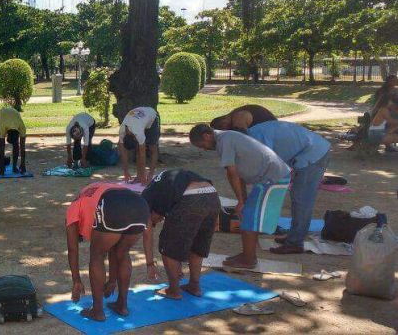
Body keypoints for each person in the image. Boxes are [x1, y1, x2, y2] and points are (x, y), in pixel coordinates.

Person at [189, 124, 291, 269]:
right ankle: (247, 255)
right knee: (247, 215)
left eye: (202, 145)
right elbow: (238, 174)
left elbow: (232, 173)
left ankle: (249, 260)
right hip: (270, 177)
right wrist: (241, 200)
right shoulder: (225, 139)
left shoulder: (225, 140)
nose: (204, 149)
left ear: (207, 136)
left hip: (273, 178)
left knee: (249, 218)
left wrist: (242, 201)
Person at [65, 183, 149, 321]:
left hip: (112, 204)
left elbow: (73, 249)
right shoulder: (89, 194)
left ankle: (97, 311)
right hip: (140, 205)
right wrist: (111, 280)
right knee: (122, 251)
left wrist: (76, 280)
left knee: (97, 254)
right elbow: (112, 247)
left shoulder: (73, 209)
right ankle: (122, 305)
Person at [247, 121, 330, 254]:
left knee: (302, 200)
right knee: (298, 197)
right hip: (311, 149)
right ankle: (294, 236)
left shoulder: (256, 138)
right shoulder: (254, 132)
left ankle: (295, 243)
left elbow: (269, 162)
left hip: (313, 154)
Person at [141, 169, 218, 299]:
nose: (159, 221)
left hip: (191, 197)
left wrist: (150, 264)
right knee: (196, 245)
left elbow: (147, 234)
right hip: (212, 195)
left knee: (167, 245)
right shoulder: (163, 188)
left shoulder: (145, 200)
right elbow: (184, 238)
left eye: (154, 222)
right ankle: (194, 285)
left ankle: (174, 290)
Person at [118, 107, 160, 184]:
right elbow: (123, 152)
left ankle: (150, 176)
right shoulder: (122, 131)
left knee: (152, 148)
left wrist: (145, 176)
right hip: (140, 117)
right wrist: (125, 171)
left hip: (152, 116)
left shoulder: (138, 133)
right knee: (138, 151)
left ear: (134, 138)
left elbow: (142, 154)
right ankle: (139, 177)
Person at [0, 106, 27, 175]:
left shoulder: (22, 127)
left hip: (14, 114)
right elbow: (1, 147)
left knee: (16, 145)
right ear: (7, 134)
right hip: (1, 114)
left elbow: (22, 147)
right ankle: (1, 167)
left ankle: (14, 167)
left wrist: (23, 164)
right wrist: (1, 168)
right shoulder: (3, 126)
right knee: (0, 143)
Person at [210, 104, 277, 133]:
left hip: (273, 132)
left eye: (222, 128)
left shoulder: (238, 118)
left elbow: (242, 139)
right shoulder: (234, 114)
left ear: (223, 122)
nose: (225, 130)